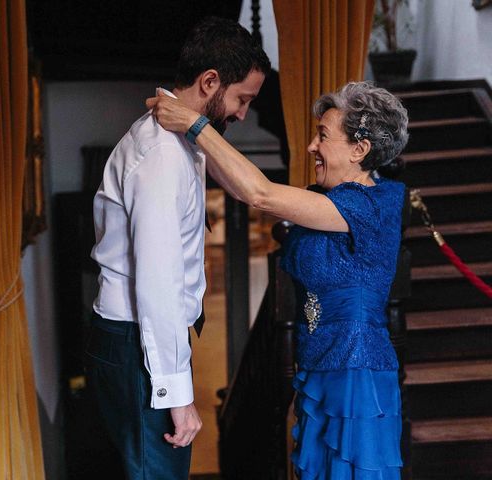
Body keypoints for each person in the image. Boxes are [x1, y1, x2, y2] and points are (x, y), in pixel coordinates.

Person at [146, 80, 408, 479]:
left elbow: (261, 195)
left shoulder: (367, 206)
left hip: (356, 375)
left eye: (323, 136)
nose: (311, 147)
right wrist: (192, 135)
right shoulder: (331, 203)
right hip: (322, 365)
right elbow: (242, 190)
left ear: (360, 150)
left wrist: (196, 124)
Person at [87, 16, 270, 480]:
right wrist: (178, 396)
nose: (244, 114)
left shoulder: (181, 139)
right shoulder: (163, 157)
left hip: (133, 337)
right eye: (242, 99)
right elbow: (158, 284)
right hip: (137, 337)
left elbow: (248, 188)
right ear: (210, 81)